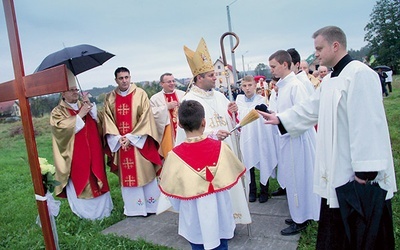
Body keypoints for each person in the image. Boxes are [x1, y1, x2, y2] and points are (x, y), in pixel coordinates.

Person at [259, 26, 396, 249]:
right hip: (338, 167)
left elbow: (368, 123)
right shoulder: (332, 79)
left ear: (335, 45)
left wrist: (365, 170)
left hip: (358, 173)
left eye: (319, 48)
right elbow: (311, 108)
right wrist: (282, 119)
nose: (316, 55)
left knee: (364, 231)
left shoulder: (360, 74)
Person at [176, 37, 251, 225]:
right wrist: (212, 135)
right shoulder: (189, 101)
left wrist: (232, 113)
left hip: (225, 152)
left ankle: (232, 220)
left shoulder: (219, 95)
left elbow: (230, 121)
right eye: (210, 75)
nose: (215, 77)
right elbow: (187, 133)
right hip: (205, 161)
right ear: (199, 78)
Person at [159, 100, 246, 250]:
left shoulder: (174, 156)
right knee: (221, 244)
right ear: (204, 122)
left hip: (193, 214)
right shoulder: (221, 147)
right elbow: (231, 178)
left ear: (179, 124)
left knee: (197, 244)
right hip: (220, 212)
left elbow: (173, 194)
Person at [268, 50, 320, 235]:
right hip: (289, 138)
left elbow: (303, 114)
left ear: (284, 64)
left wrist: (280, 119)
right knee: (293, 178)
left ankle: (302, 219)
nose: (271, 70)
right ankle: (299, 212)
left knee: (300, 179)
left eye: (274, 66)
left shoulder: (295, 86)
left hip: (298, 140)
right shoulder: (285, 86)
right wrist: (276, 116)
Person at [50, 70, 113, 220]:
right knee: (82, 178)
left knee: (98, 174)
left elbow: (99, 121)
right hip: (76, 155)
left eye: (75, 89)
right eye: (70, 90)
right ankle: (85, 214)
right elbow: (60, 130)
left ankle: (104, 210)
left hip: (94, 150)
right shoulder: (57, 112)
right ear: (62, 93)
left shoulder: (84, 105)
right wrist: (79, 115)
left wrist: (91, 110)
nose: (74, 92)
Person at [102, 67, 162, 217]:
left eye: (126, 77)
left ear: (130, 77)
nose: (124, 81)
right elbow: (107, 119)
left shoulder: (140, 94)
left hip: (139, 143)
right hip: (121, 144)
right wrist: (118, 138)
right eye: (121, 78)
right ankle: (134, 209)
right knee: (128, 177)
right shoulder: (110, 97)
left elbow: (146, 118)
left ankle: (151, 207)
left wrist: (131, 137)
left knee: (145, 173)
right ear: (116, 80)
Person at [236, 75, 278, 203]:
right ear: (241, 87)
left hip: (260, 136)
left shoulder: (261, 100)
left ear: (255, 86)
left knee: (262, 158)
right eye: (244, 86)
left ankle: (264, 189)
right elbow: (237, 117)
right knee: (248, 162)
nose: (247, 88)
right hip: (246, 137)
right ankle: (252, 189)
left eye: (250, 85)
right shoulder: (238, 101)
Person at [150, 73, 185, 158]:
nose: (172, 83)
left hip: (183, 132)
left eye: (173, 81)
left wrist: (184, 107)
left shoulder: (183, 95)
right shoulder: (155, 99)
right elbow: (151, 115)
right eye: (169, 81)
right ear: (162, 84)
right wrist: (166, 107)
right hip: (167, 135)